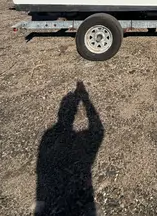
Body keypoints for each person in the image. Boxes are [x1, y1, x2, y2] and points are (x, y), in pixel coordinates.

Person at [34, 82, 104, 216]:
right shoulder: (50, 137)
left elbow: (98, 133)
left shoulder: (50, 136)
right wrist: (86, 100)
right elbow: (98, 132)